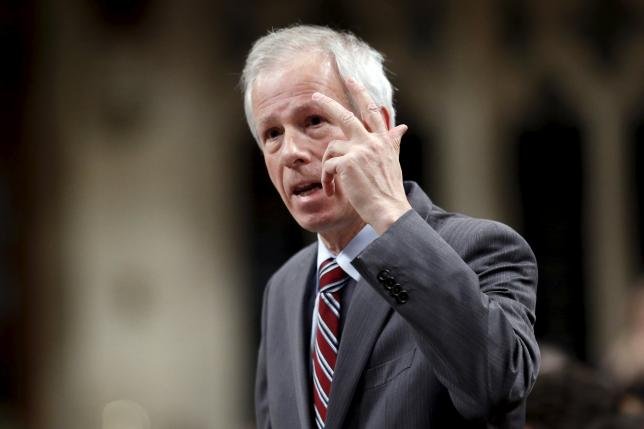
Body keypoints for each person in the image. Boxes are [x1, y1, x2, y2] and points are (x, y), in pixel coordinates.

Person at [241, 25, 539, 429]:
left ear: (377, 128)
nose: (291, 152)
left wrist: (388, 214)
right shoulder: (285, 287)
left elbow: (497, 385)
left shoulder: (481, 248)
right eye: (272, 134)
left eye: (313, 121)